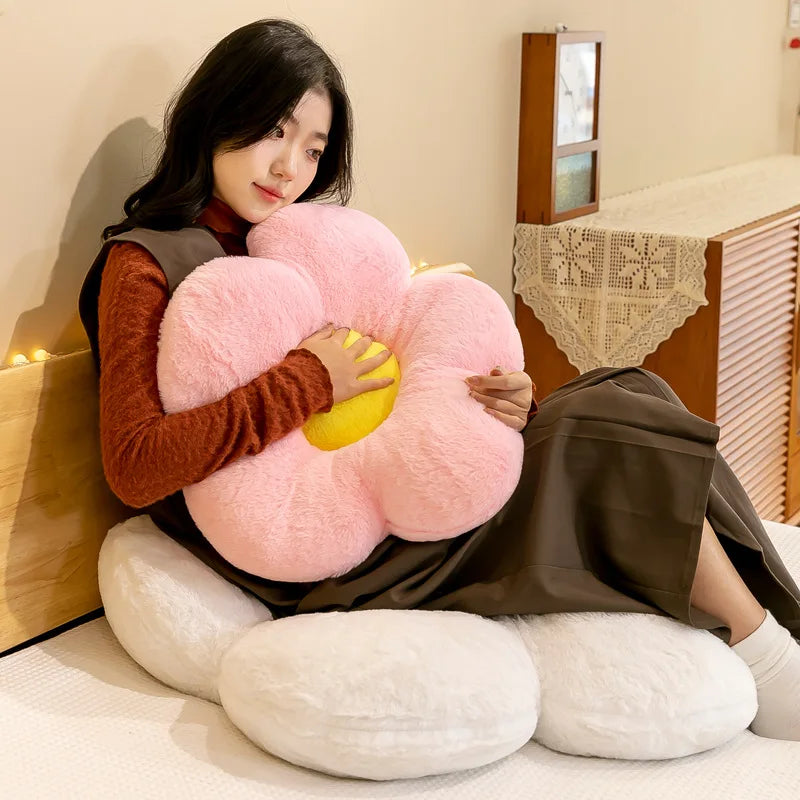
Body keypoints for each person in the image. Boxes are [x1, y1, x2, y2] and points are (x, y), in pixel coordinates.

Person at [79, 18, 800, 741]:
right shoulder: (145, 264)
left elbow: (376, 375)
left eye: (313, 149)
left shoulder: (290, 242)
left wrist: (503, 407)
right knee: (602, 431)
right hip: (307, 544)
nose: (289, 167)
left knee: (629, 389)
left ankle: (781, 624)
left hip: (388, 484)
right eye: (274, 131)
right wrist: (308, 381)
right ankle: (765, 657)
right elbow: (135, 466)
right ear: (217, 112)